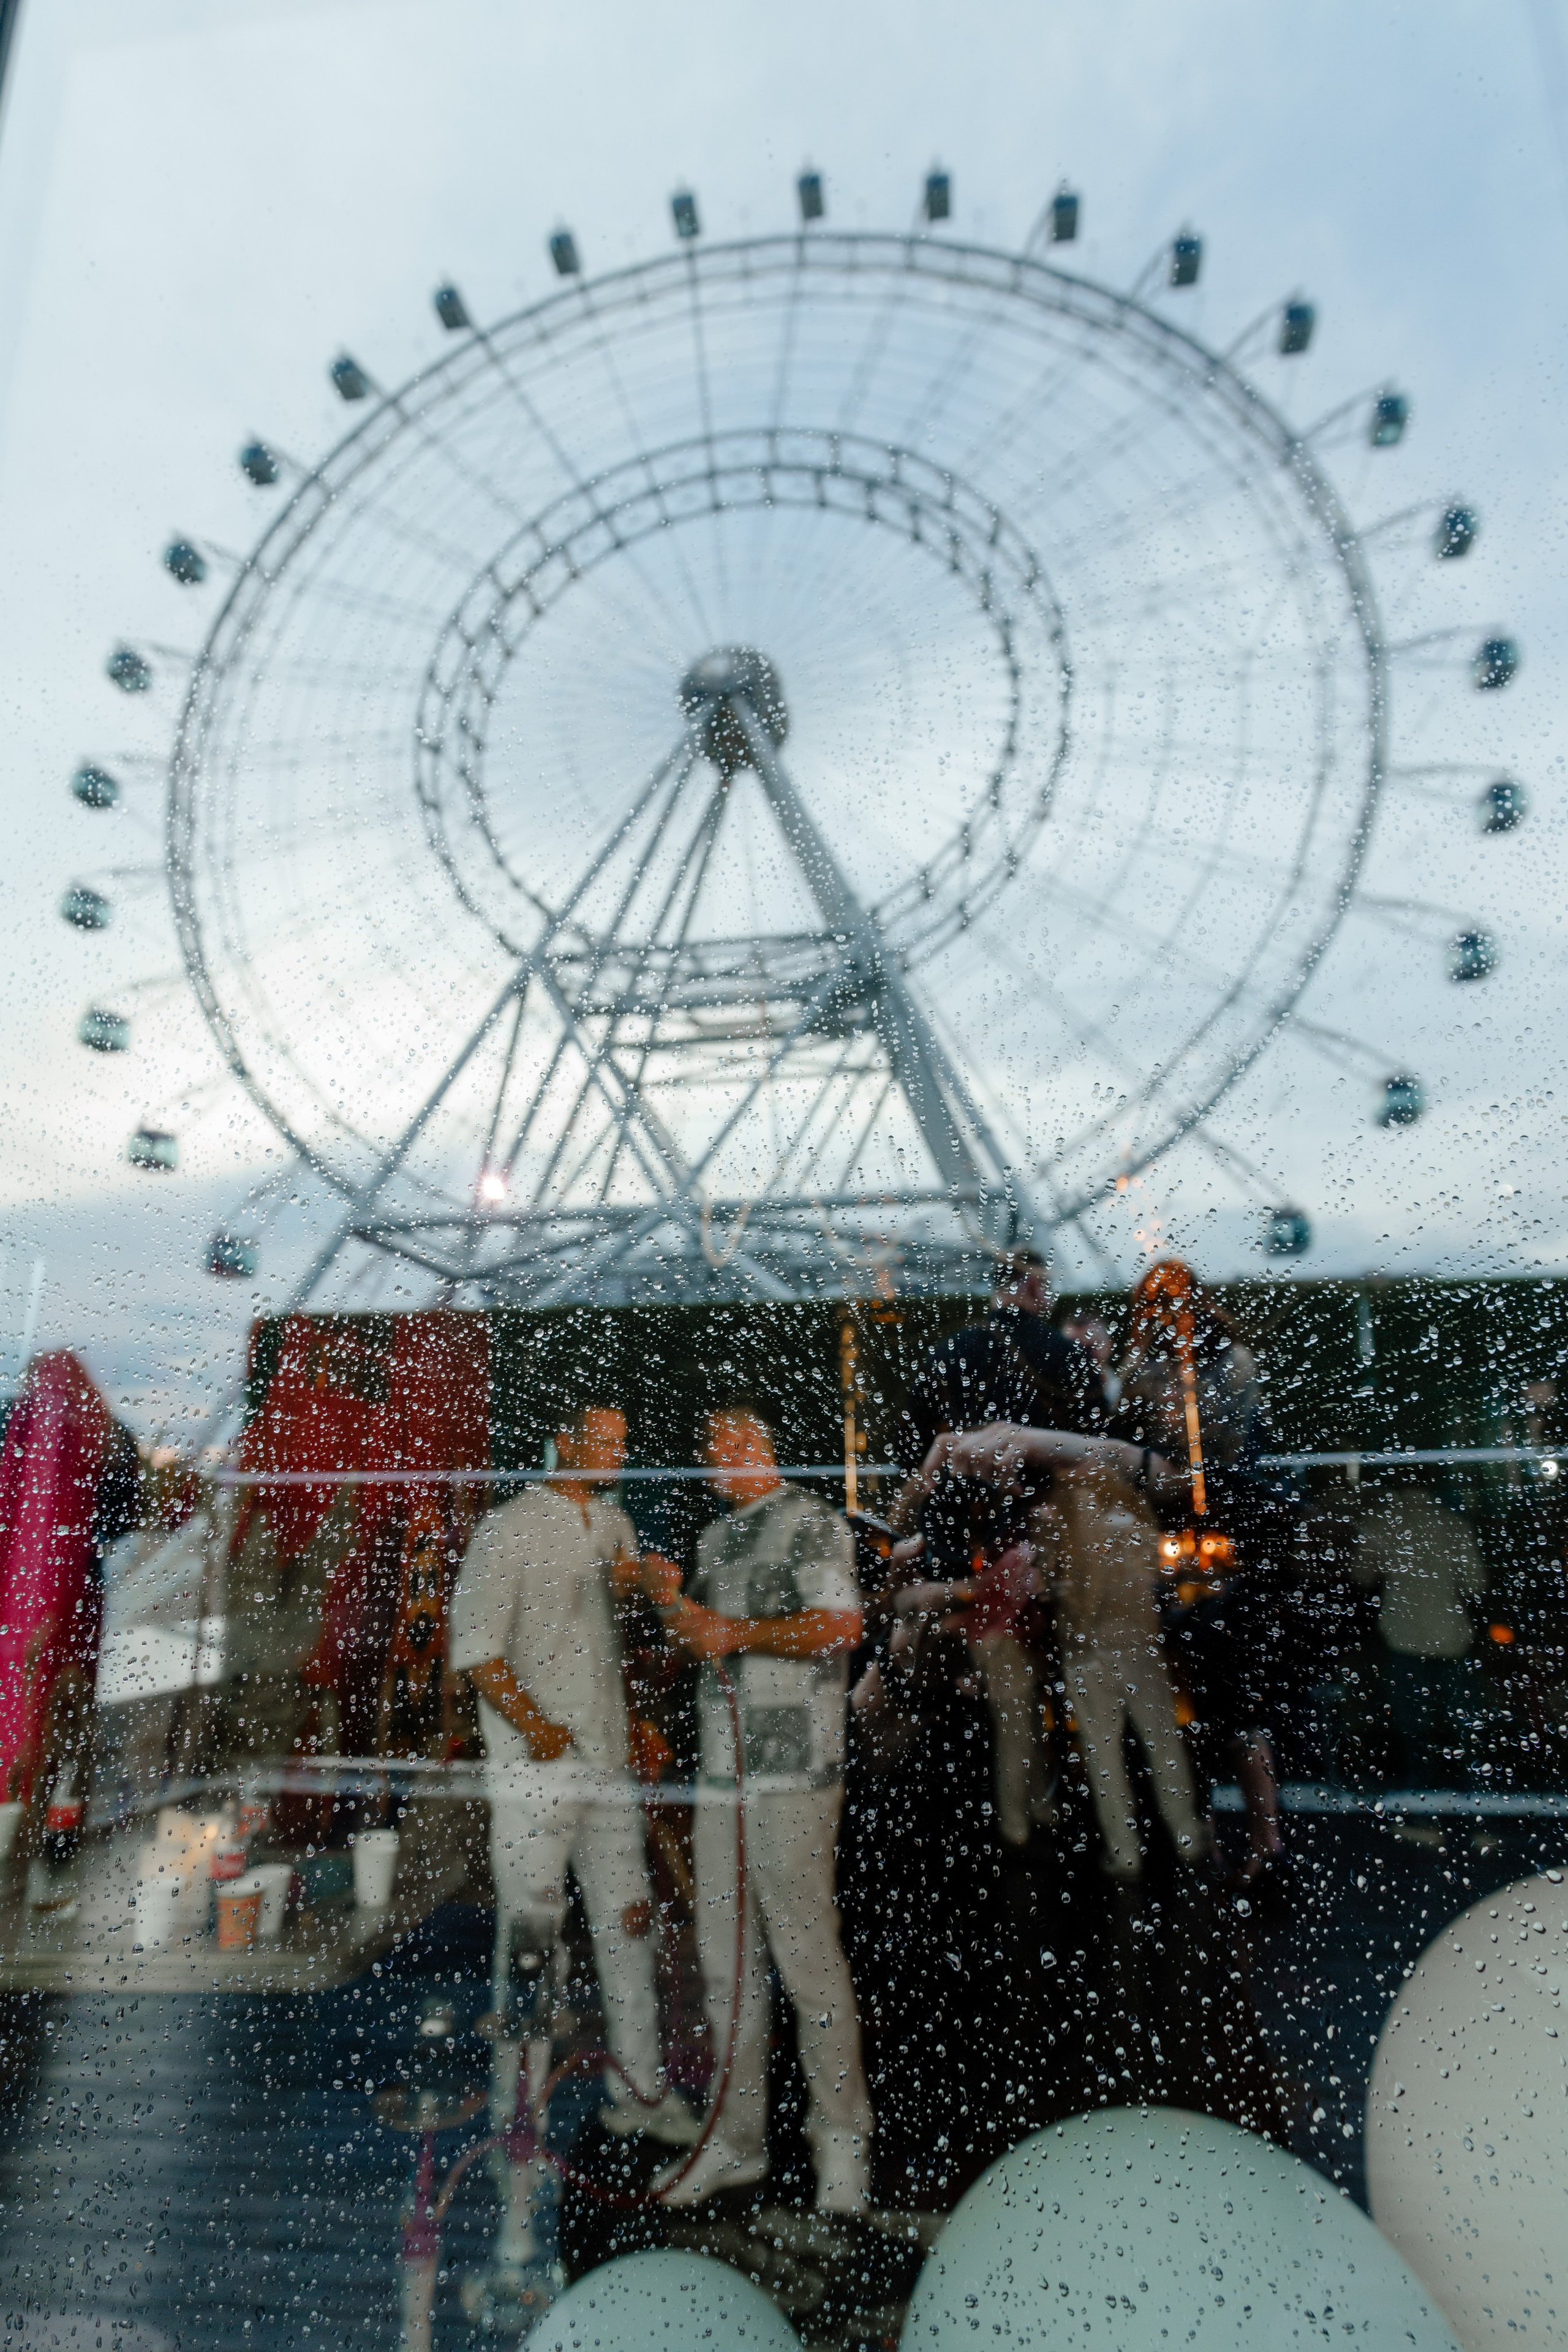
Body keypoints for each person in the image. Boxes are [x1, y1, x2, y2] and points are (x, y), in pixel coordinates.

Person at [445, 1400, 697, 2149]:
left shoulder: (614, 1525)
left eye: (622, 1442)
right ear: (563, 1443)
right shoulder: (508, 1528)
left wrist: (639, 1712)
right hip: (535, 1776)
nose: (616, 1455)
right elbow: (477, 1652)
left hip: (607, 1766)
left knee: (629, 1927)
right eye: (603, 1442)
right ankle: (516, 2112)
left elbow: (617, 1642)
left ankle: (640, 2094)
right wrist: (535, 1726)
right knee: (532, 1940)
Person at [656, 1403, 874, 2214]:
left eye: (726, 1441)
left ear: (760, 1445)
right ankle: (736, 2141)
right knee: (726, 1967)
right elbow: (706, 1642)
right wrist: (665, 1601)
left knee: (808, 1961)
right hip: (723, 1777)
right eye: (708, 1443)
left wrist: (731, 1630)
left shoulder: (813, 1521)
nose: (714, 1455)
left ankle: (842, 2142)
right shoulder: (714, 1541)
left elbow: (842, 1624)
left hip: (794, 1775)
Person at [901, 1423, 1213, 1883]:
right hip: (1139, 1646)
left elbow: (1051, 1587)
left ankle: (1123, 1852)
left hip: (1088, 1653)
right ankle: (1186, 1838)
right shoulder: (1133, 1513)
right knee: (1162, 1745)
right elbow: (1157, 1575)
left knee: (1103, 1757)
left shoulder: (1058, 1519)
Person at [888, 1251, 1106, 1853]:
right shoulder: (1065, 1358)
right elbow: (1097, 1459)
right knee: (1043, 1690)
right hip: (1043, 1554)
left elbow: (913, 1456)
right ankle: (1046, 1815)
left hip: (954, 1557)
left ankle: (977, 1818)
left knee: (981, 1691)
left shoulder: (944, 1354)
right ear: (1036, 1286)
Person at [1112, 1261, 1292, 1881]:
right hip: (1208, 1542)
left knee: (1208, 1700)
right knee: (1219, 1703)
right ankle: (1242, 1838)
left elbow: (1146, 1456)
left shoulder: (1158, 1369)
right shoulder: (1219, 1362)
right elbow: (1244, 1448)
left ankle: (1227, 1837)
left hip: (1193, 1545)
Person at [1354, 1476, 1487, 1785]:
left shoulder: (1382, 1523)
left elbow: (1361, 1576)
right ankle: (1474, 1809)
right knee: (1462, 1728)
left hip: (1402, 1638)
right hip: (1451, 1638)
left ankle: (1422, 1808)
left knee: (1413, 1730)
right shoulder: (1453, 1523)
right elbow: (1477, 1584)